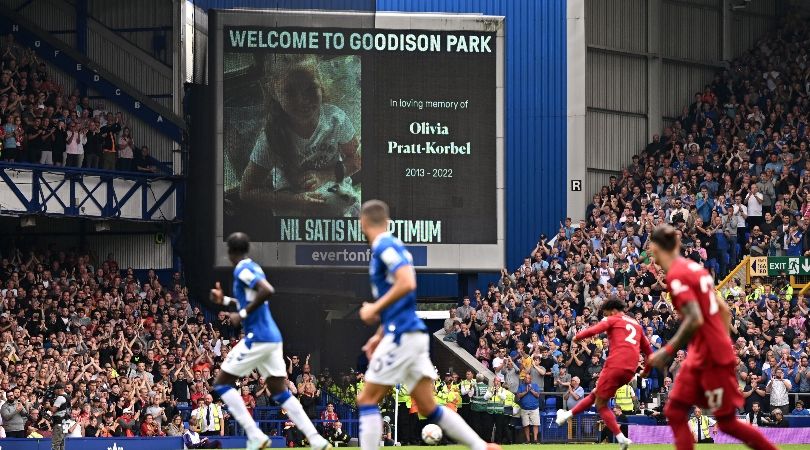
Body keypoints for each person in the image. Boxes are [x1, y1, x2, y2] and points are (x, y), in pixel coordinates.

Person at [355, 200, 498, 450]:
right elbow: (401, 299)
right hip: (410, 333)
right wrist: (378, 334)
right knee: (428, 406)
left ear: (363, 223)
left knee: (366, 399)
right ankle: (480, 446)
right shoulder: (395, 245)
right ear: (387, 222)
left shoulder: (383, 246)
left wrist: (373, 309)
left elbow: (407, 282)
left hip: (400, 336)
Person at [646, 225, 778, 450]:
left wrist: (666, 351)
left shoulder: (679, 276)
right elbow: (724, 310)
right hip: (712, 349)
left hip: (707, 352)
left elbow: (694, 319)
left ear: (657, 249)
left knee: (678, 411)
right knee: (722, 421)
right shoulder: (695, 270)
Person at [209, 231, 330, 450]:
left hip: (259, 337)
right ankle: (316, 439)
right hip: (273, 338)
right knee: (280, 391)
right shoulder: (253, 267)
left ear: (231, 251)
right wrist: (225, 300)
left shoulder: (242, 269)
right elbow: (252, 298)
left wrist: (241, 315)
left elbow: (266, 291)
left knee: (222, 383)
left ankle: (255, 435)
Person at [239, 57, 361, 217]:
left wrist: (326, 176)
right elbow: (247, 191)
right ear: (273, 90)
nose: (302, 100)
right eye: (289, 91)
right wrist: (296, 201)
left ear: (321, 83)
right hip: (293, 208)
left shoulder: (336, 120)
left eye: (310, 88)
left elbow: (356, 160)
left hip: (338, 196)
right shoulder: (270, 138)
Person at [555, 298, 650, 449]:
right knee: (596, 394)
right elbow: (649, 352)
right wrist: (646, 371)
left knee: (600, 404)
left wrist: (577, 337)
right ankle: (566, 416)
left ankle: (621, 439)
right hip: (629, 371)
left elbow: (594, 330)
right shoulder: (637, 325)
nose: (604, 316)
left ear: (612, 311)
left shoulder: (612, 318)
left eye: (605, 313)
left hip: (615, 365)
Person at [515, 372, 540, 444]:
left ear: (531, 379)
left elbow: (537, 395)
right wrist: (526, 391)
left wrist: (531, 390)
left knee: (535, 424)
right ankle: (528, 440)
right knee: (526, 425)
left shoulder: (535, 385)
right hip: (524, 408)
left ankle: (535, 440)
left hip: (534, 408)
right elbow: (518, 396)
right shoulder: (521, 386)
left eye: (528, 378)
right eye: (525, 377)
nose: (526, 379)